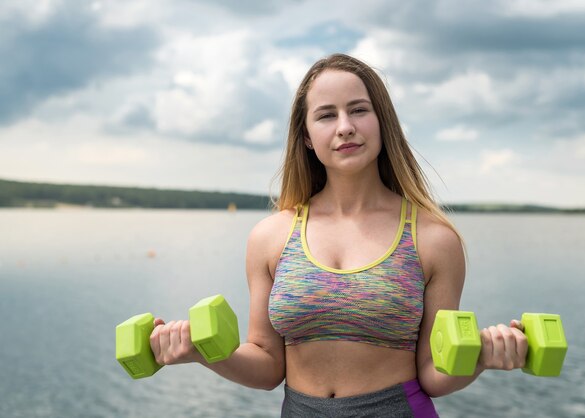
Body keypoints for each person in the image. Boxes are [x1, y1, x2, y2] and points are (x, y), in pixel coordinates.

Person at [149, 53, 528, 417]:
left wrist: (481, 358)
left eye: (359, 110)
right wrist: (203, 352)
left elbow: (432, 372)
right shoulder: (270, 237)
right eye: (327, 115)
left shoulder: (433, 239)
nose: (345, 126)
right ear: (308, 138)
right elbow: (266, 366)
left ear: (383, 123)